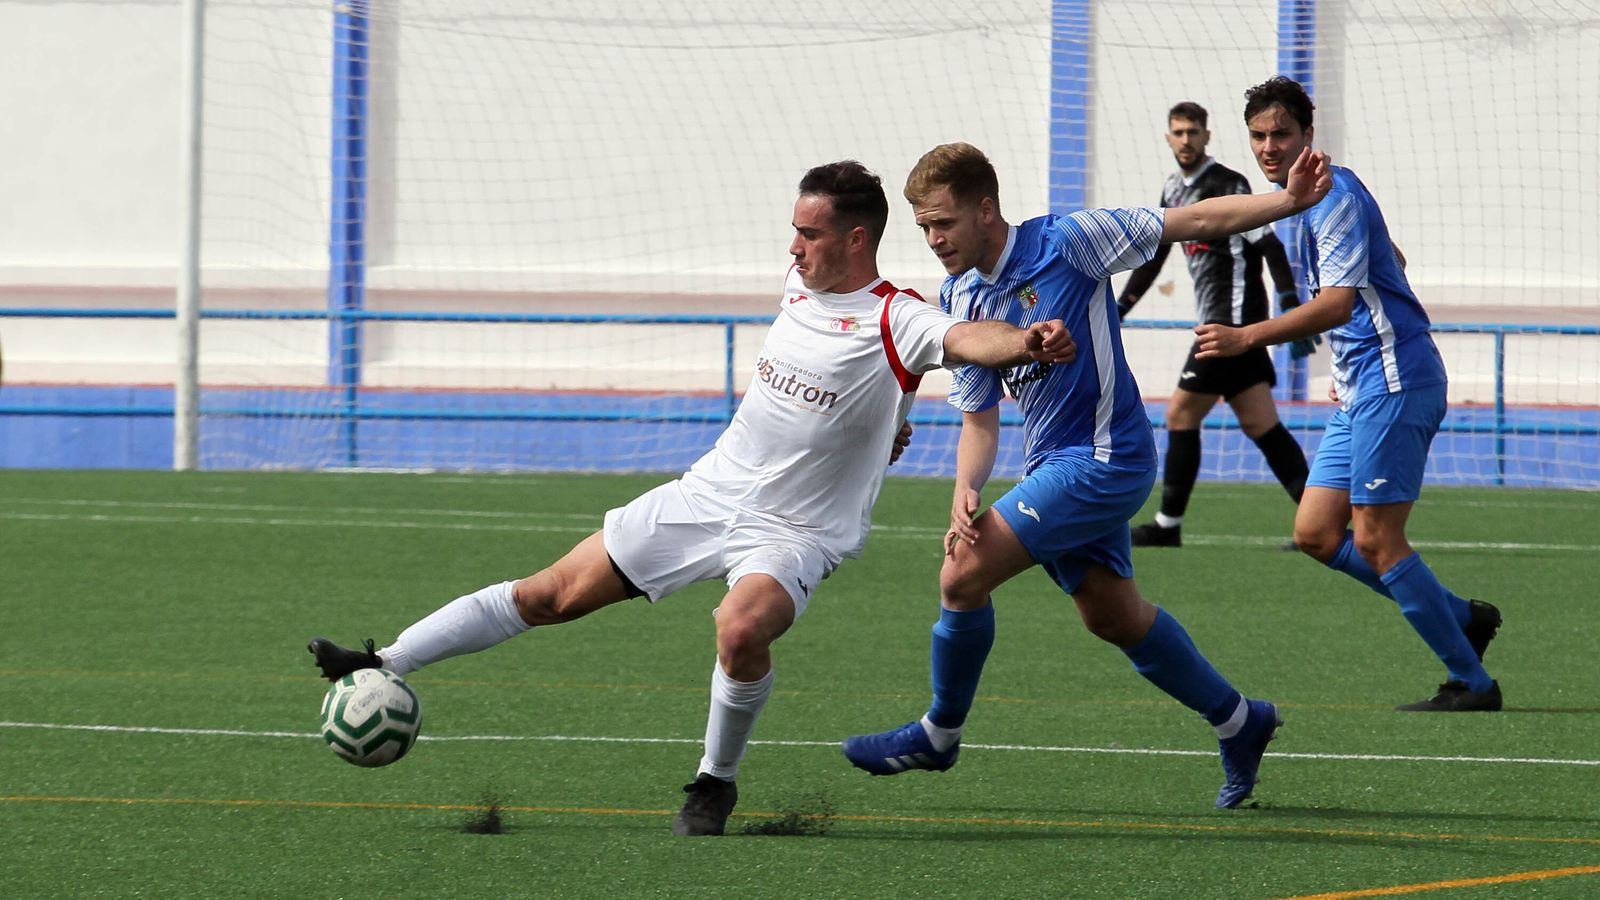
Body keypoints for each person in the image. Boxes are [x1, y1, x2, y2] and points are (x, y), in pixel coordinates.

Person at [308, 160, 1078, 837]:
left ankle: (714, 783)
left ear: (855, 240)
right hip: (708, 494)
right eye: (793, 230)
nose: (793, 247)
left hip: (796, 533)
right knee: (548, 594)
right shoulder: (796, 289)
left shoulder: (896, 315)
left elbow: (965, 340)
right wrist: (880, 430)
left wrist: (1026, 340)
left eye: (809, 233)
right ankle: (385, 658)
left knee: (740, 627)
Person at [842, 140, 1333, 809]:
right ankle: (1240, 721)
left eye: (943, 223)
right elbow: (980, 420)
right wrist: (966, 486)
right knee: (1112, 615)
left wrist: (1289, 201)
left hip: (1107, 460)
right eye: (924, 226)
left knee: (961, 573)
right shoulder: (959, 295)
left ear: (985, 210)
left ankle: (940, 732)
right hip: (1052, 466)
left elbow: (1191, 221)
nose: (933, 239)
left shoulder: (1068, 240)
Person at [1193, 76, 1502, 712]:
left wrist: (1247, 335)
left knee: (1376, 539)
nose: (1269, 146)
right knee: (1313, 532)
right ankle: (1458, 616)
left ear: (1309, 134)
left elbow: (1335, 303)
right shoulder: (1297, 199)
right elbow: (1395, 260)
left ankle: (1472, 681)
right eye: (1258, 136)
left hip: (1396, 380)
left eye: (1282, 133)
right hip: (1364, 382)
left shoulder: (1332, 199)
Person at [1118, 101, 1315, 548]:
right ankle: (1318, 524)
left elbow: (1269, 247)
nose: (1186, 140)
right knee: (1260, 422)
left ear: (1207, 136)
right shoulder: (1172, 189)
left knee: (1180, 414)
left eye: (1193, 132)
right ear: (1168, 138)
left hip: (1231, 324)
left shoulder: (1229, 183)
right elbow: (1155, 257)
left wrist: (1288, 299)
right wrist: (1120, 308)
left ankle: (1168, 525)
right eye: (1178, 132)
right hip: (1223, 323)